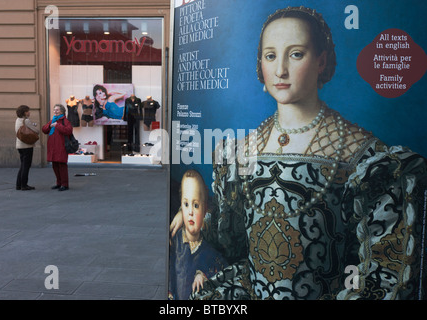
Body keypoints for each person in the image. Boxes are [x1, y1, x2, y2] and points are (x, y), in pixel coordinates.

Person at [170, 6, 427, 300]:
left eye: (295, 54)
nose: (280, 70)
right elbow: (231, 243)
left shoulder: (364, 157)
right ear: (260, 64)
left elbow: (384, 279)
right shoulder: (239, 152)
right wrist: (191, 209)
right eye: (270, 56)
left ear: (321, 61)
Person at [169, 169, 228, 300]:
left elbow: (223, 266)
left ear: (205, 209)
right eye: (186, 204)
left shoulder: (207, 249)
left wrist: (203, 274)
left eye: (196, 205)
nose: (190, 211)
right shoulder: (174, 242)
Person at [42, 104, 73, 191]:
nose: (55, 111)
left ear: (62, 112)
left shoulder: (65, 121)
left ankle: (64, 184)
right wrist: (50, 126)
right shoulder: (52, 120)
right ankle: (58, 183)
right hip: (52, 146)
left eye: (57, 110)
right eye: (54, 110)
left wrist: (57, 125)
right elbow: (44, 130)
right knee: (55, 165)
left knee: (62, 165)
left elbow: (68, 131)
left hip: (61, 146)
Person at [15, 105, 39, 191]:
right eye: (28, 111)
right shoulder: (26, 120)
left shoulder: (18, 120)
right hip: (27, 145)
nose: (29, 113)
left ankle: (18, 184)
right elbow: (36, 131)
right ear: (25, 112)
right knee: (26, 166)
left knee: (22, 165)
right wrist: (35, 127)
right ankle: (24, 185)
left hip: (19, 145)